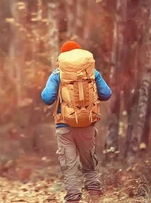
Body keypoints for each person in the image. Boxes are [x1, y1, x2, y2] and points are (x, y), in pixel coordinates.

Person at [40, 41, 112, 203]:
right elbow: (106, 94)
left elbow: (47, 98)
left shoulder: (58, 74)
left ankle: (73, 199)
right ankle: (95, 199)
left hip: (65, 127)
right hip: (87, 126)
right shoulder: (92, 73)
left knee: (70, 168)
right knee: (89, 165)